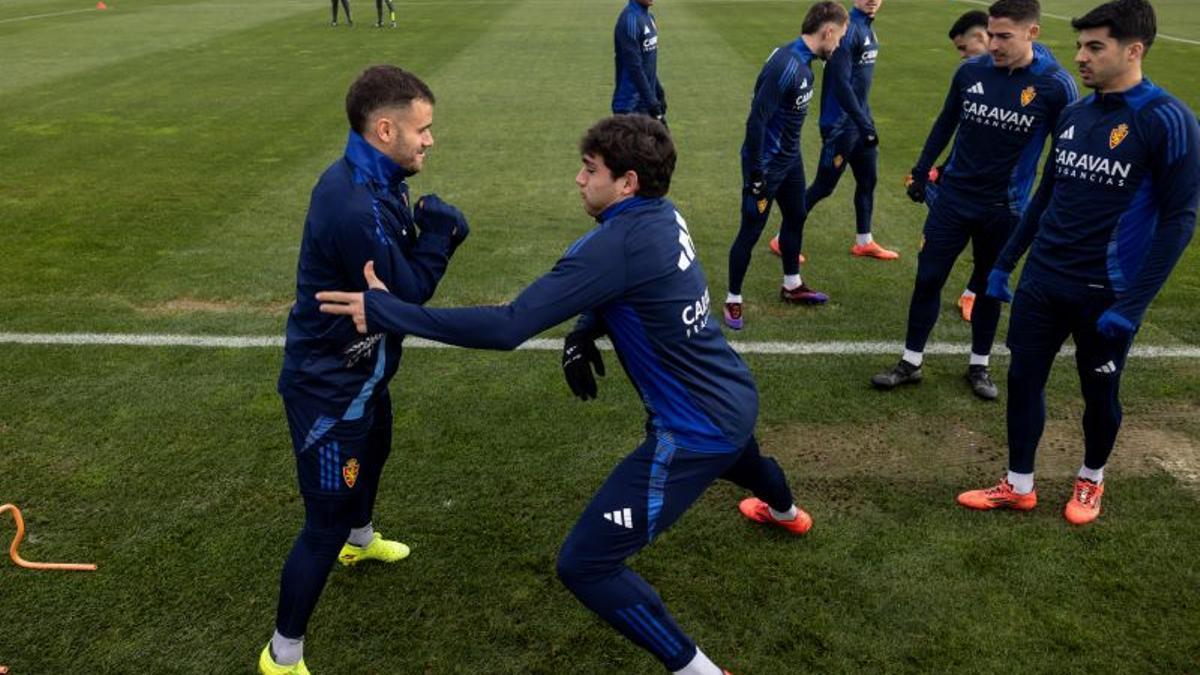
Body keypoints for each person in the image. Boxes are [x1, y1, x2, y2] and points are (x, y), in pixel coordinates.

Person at [317, 114, 811, 675]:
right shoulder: (661, 214)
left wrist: (390, 311)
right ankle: (787, 511)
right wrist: (581, 332)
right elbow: (627, 287)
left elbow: (508, 326)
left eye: (590, 169)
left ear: (626, 182)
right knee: (742, 455)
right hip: (734, 396)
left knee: (585, 564)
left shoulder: (614, 244)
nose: (579, 180)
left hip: (696, 429)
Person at [262, 66, 469, 675]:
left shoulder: (382, 175)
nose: (430, 140)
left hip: (365, 374)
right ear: (385, 129)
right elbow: (405, 299)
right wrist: (441, 236)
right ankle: (282, 654)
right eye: (422, 130)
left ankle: (361, 542)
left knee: (376, 451)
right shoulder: (351, 203)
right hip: (329, 389)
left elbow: (390, 284)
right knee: (322, 523)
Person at [959, 0, 1199, 525]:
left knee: (1100, 393)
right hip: (1044, 280)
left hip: (1107, 293)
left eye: (1095, 47)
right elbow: (1045, 195)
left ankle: (1091, 478)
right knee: (1023, 380)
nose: (1081, 58)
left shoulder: (1168, 120)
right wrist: (1004, 264)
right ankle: (1018, 483)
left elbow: (1180, 221)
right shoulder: (1073, 113)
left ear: (1133, 50)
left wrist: (1132, 305)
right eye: (1079, 46)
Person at [870, 0, 1077, 400]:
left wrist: (1052, 205)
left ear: (1032, 33)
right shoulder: (970, 71)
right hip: (953, 200)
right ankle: (910, 361)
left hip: (1005, 209)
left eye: (1005, 37)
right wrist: (921, 168)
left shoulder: (1055, 85)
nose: (994, 45)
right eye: (991, 35)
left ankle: (979, 365)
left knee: (988, 286)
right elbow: (946, 122)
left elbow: (1062, 153)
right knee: (928, 278)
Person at [722, 1, 850, 330]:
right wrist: (754, 176)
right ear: (828, 31)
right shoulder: (787, 64)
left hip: (790, 161)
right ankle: (733, 299)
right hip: (765, 165)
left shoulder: (804, 62)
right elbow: (756, 122)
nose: (838, 46)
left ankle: (792, 284)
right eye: (840, 38)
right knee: (750, 232)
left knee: (796, 215)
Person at [768, 0, 899, 263]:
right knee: (823, 186)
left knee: (868, 180)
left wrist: (864, 121)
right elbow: (840, 84)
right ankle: (782, 238)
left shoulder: (867, 28)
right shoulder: (847, 30)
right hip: (840, 125)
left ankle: (864, 241)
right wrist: (862, 123)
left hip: (860, 121)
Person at [947, 9, 991, 322]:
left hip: (1004, 191)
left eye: (964, 48)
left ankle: (973, 293)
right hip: (964, 180)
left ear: (981, 37)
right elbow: (958, 128)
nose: (962, 56)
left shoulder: (1041, 77)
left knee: (989, 253)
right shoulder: (971, 74)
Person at [612, 0, 667, 125]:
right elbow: (635, 68)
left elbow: (647, 63)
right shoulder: (629, 20)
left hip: (647, 100)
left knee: (664, 142)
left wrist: (659, 91)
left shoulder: (649, 17)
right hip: (630, 107)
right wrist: (652, 103)